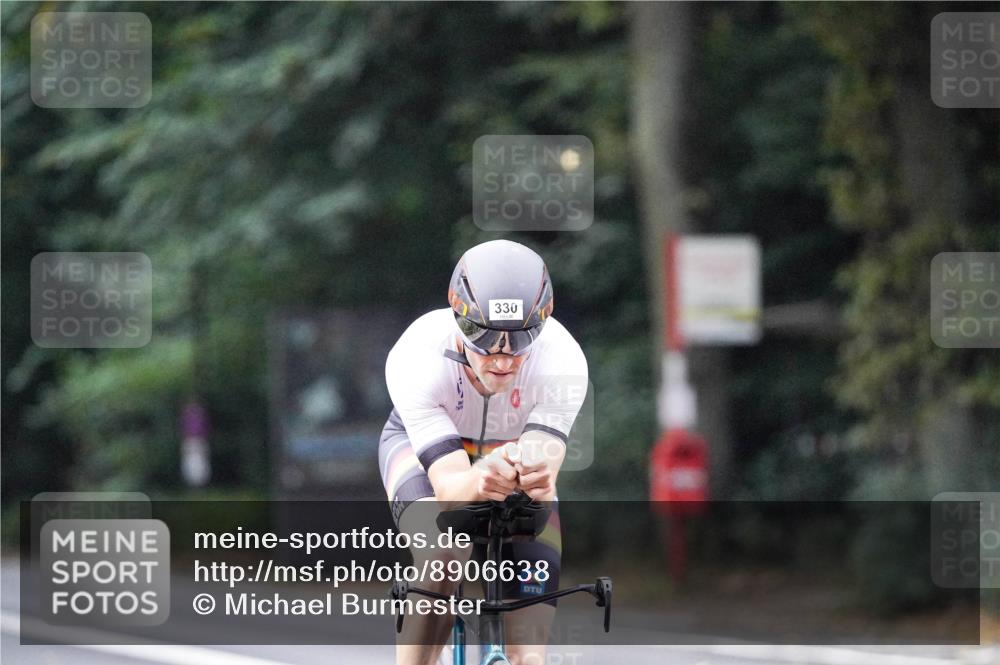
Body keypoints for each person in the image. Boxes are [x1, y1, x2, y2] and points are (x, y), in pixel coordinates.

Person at [378, 239, 588, 665]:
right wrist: (479, 476)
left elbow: (540, 481)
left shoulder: (562, 360)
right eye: (484, 334)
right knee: (443, 553)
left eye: (521, 337)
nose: (502, 357)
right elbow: (452, 490)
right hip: (423, 451)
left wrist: (535, 476)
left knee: (529, 656)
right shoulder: (416, 355)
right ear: (459, 320)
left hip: (509, 450)